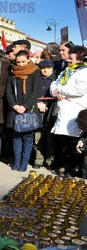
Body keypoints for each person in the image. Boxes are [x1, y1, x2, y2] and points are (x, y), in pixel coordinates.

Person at [49, 45, 87, 176]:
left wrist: (60, 90)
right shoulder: (67, 70)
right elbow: (54, 83)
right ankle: (62, 165)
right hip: (62, 112)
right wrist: (55, 91)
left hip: (74, 112)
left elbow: (79, 89)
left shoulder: (84, 71)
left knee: (73, 143)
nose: (69, 60)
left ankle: (71, 168)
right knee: (62, 141)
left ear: (80, 58)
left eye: (71, 58)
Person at [5, 51, 42, 172]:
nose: (20, 64)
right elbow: (8, 91)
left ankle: (24, 162)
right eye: (18, 62)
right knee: (16, 137)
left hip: (29, 109)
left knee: (27, 137)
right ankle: (16, 161)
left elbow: (35, 91)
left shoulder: (35, 71)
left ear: (28, 59)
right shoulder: (12, 72)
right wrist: (14, 105)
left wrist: (25, 106)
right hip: (15, 109)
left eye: (23, 62)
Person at [33, 59, 56, 169]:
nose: (45, 70)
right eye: (42, 68)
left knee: (50, 139)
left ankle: (49, 161)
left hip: (51, 111)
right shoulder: (37, 78)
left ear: (52, 68)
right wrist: (38, 103)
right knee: (38, 138)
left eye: (47, 67)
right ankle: (38, 160)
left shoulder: (56, 79)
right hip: (38, 110)